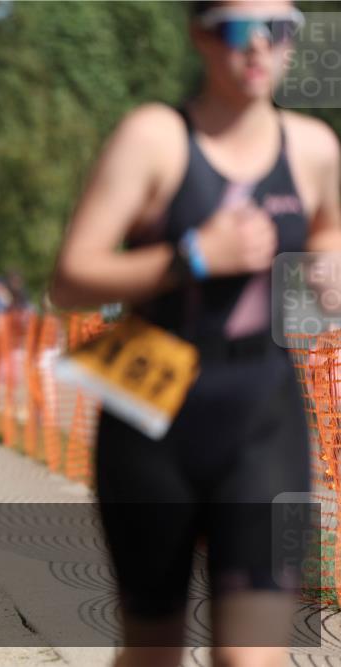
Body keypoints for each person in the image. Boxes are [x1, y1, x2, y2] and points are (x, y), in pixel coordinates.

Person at [50, 2, 340, 665]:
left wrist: (327, 270)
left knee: (249, 657)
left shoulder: (315, 148)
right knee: (153, 651)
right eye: (239, 29)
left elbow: (327, 233)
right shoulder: (153, 137)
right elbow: (69, 279)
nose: (260, 45)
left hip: (264, 414)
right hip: (153, 414)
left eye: (280, 30)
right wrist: (194, 257)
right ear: (200, 36)